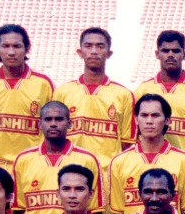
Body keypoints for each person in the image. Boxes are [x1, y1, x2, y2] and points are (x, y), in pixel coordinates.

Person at [53, 27, 135, 173]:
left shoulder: (124, 95)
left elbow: (127, 144)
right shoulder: (62, 93)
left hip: (107, 174)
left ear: (109, 53)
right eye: (88, 46)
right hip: (68, 174)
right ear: (80, 52)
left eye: (100, 46)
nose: (94, 51)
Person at [108, 94, 185, 214]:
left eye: (155, 115)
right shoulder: (119, 162)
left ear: (167, 120)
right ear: (136, 119)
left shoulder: (184, 161)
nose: (149, 121)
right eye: (144, 115)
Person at [12, 101, 104, 214]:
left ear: (69, 124)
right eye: (48, 119)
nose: (53, 124)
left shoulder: (88, 159)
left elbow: (94, 209)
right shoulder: (23, 159)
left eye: (59, 119)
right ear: (40, 124)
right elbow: (19, 209)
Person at [0, 24, 54, 169]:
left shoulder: (44, 84)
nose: (11, 52)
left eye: (17, 46)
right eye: (5, 46)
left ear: (26, 49)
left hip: (34, 165)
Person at [133, 30, 185, 166]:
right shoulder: (141, 91)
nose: (170, 55)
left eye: (176, 51)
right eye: (165, 51)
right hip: (150, 168)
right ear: (157, 54)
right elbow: (135, 135)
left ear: (184, 54)